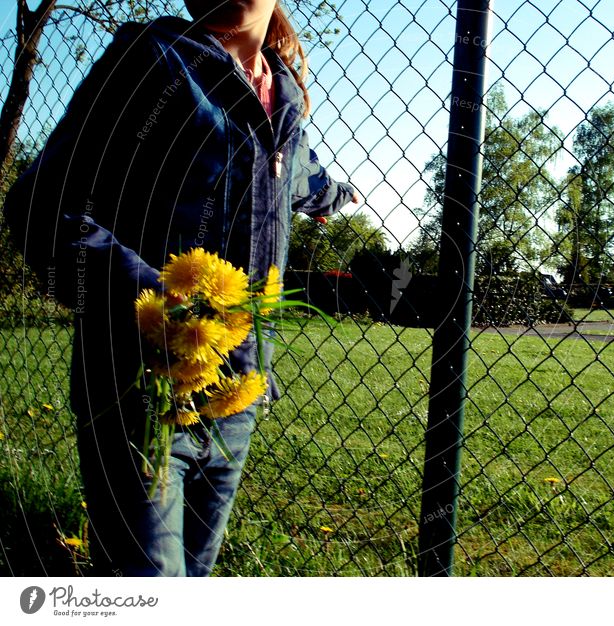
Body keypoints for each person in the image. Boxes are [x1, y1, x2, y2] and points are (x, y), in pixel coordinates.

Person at [4, 0, 358, 576]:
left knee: (193, 578)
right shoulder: (151, 61)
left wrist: (341, 196)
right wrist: (152, 300)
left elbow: (301, 177)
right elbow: (40, 206)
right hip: (138, 390)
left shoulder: (287, 99)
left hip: (236, 396)